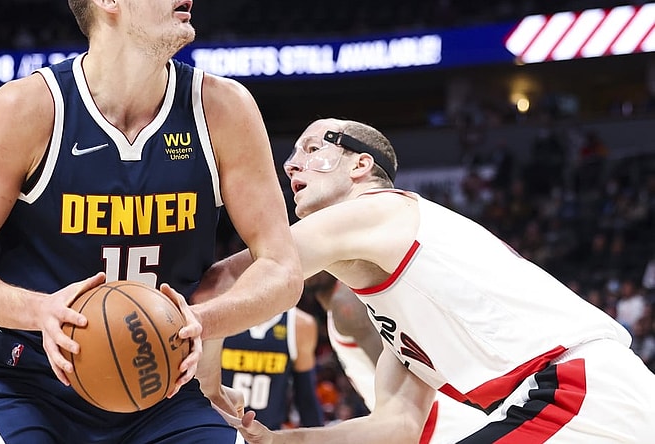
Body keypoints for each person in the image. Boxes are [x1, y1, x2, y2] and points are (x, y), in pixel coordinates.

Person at [0, 1, 302, 442]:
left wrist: (200, 320)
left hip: (165, 391)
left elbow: (282, 269)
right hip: (31, 386)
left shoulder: (223, 109)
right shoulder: (24, 109)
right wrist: (41, 311)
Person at [198, 118, 655, 442]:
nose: (291, 164)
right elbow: (394, 428)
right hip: (579, 400)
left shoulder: (379, 210)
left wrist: (210, 389)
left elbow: (230, 280)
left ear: (360, 166)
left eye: (313, 149)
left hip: (575, 389)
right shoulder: (400, 316)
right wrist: (278, 441)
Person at [306, 272, 488, 443]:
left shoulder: (346, 302)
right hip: (432, 424)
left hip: (439, 426)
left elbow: (403, 377)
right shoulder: (341, 304)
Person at [221, 307, 323, 430]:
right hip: (219, 430)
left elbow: (306, 398)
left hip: (269, 433)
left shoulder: (299, 324)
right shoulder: (220, 314)